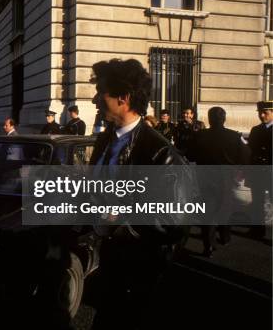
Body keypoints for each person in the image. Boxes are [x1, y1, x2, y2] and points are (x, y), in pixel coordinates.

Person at [88, 59, 187, 329]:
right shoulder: (103, 139)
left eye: (101, 92)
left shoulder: (160, 151)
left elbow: (175, 221)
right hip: (108, 263)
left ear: (123, 98)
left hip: (140, 271)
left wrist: (122, 221)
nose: (95, 98)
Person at [187, 107, 250, 257]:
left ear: (209, 119)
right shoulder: (234, 136)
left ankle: (208, 245)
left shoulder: (199, 135)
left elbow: (190, 155)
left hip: (205, 175)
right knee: (226, 206)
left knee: (207, 211)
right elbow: (245, 155)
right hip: (226, 176)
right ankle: (224, 236)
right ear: (224, 119)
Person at [246, 100, 273, 239]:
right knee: (257, 201)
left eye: (265, 113)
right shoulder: (255, 130)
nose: (262, 115)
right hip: (257, 170)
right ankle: (257, 230)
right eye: (260, 113)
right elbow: (250, 150)